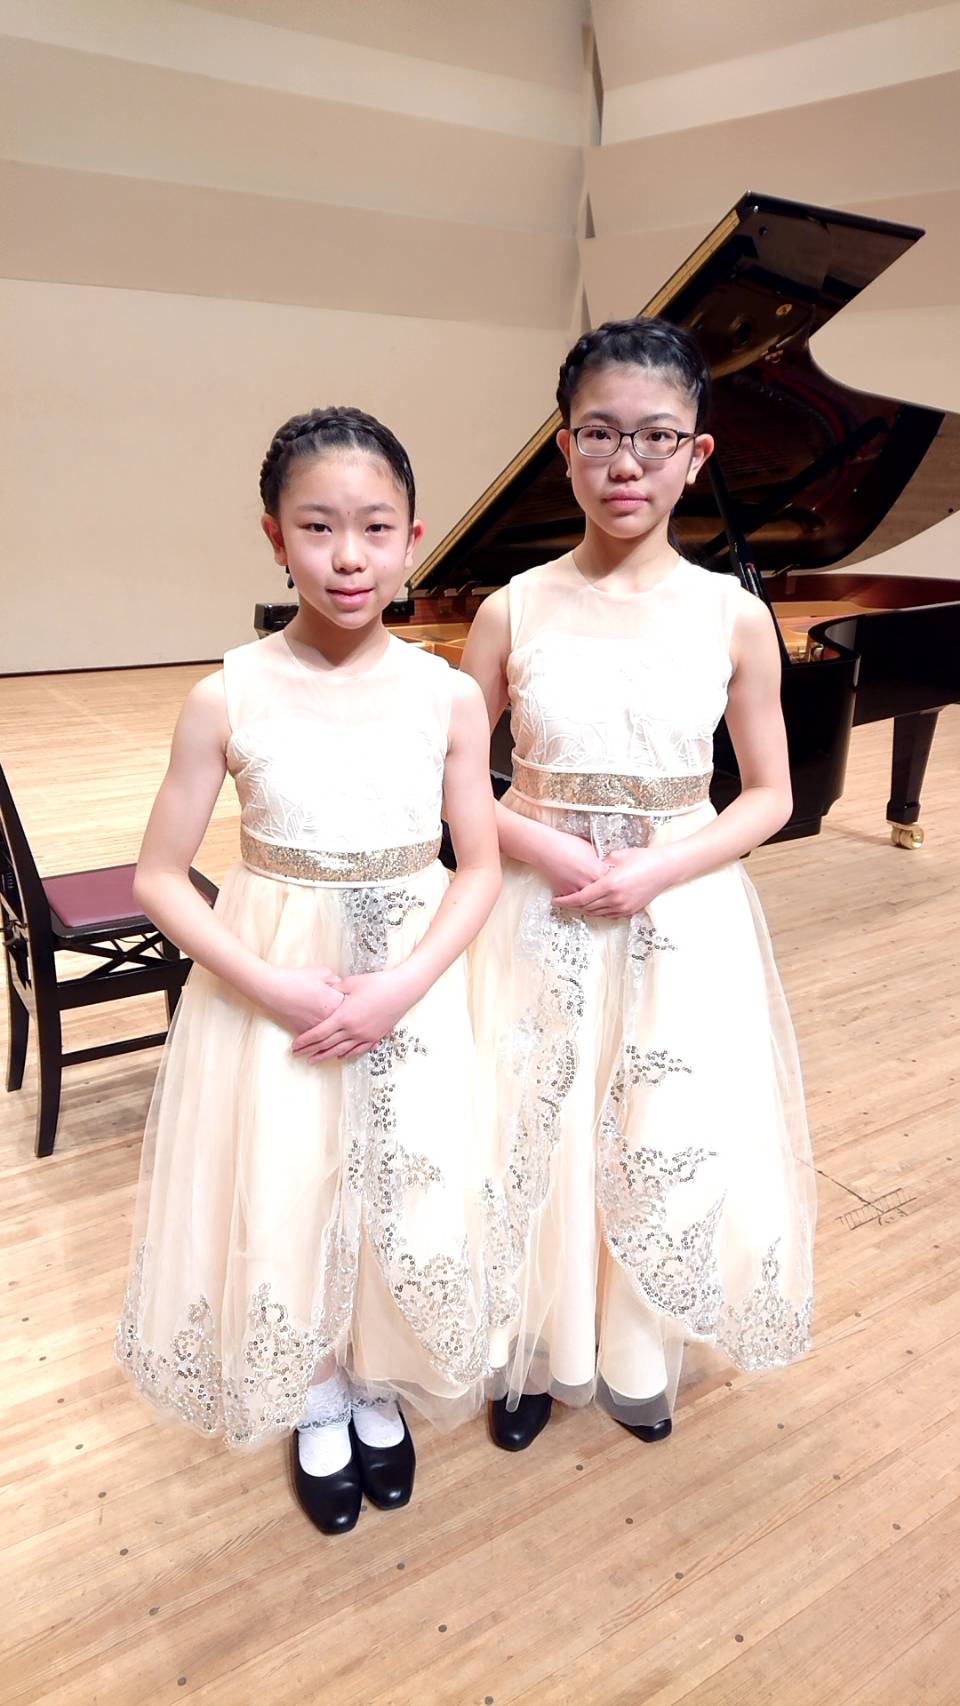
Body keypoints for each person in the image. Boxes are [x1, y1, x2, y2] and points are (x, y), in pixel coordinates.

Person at [116, 406, 501, 1533]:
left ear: (413, 538)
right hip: (270, 988)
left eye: (375, 528)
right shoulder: (226, 691)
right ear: (274, 537)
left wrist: (402, 986)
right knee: (289, 1181)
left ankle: (376, 1375)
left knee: (401, 1184)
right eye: (318, 526)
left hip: (410, 987)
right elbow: (158, 876)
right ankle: (318, 1390)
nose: (347, 556)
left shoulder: (448, 693)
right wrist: (274, 985)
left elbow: (478, 865)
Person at [463, 318, 815, 1453]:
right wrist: (541, 843)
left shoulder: (733, 613)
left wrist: (658, 866)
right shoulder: (510, 607)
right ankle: (532, 1346)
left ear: (697, 454)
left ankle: (634, 1348)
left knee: (662, 1124)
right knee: (536, 1119)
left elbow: (769, 795)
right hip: (538, 908)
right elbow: (449, 779)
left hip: (681, 911)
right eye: (600, 434)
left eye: (656, 437)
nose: (627, 463)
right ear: (563, 446)